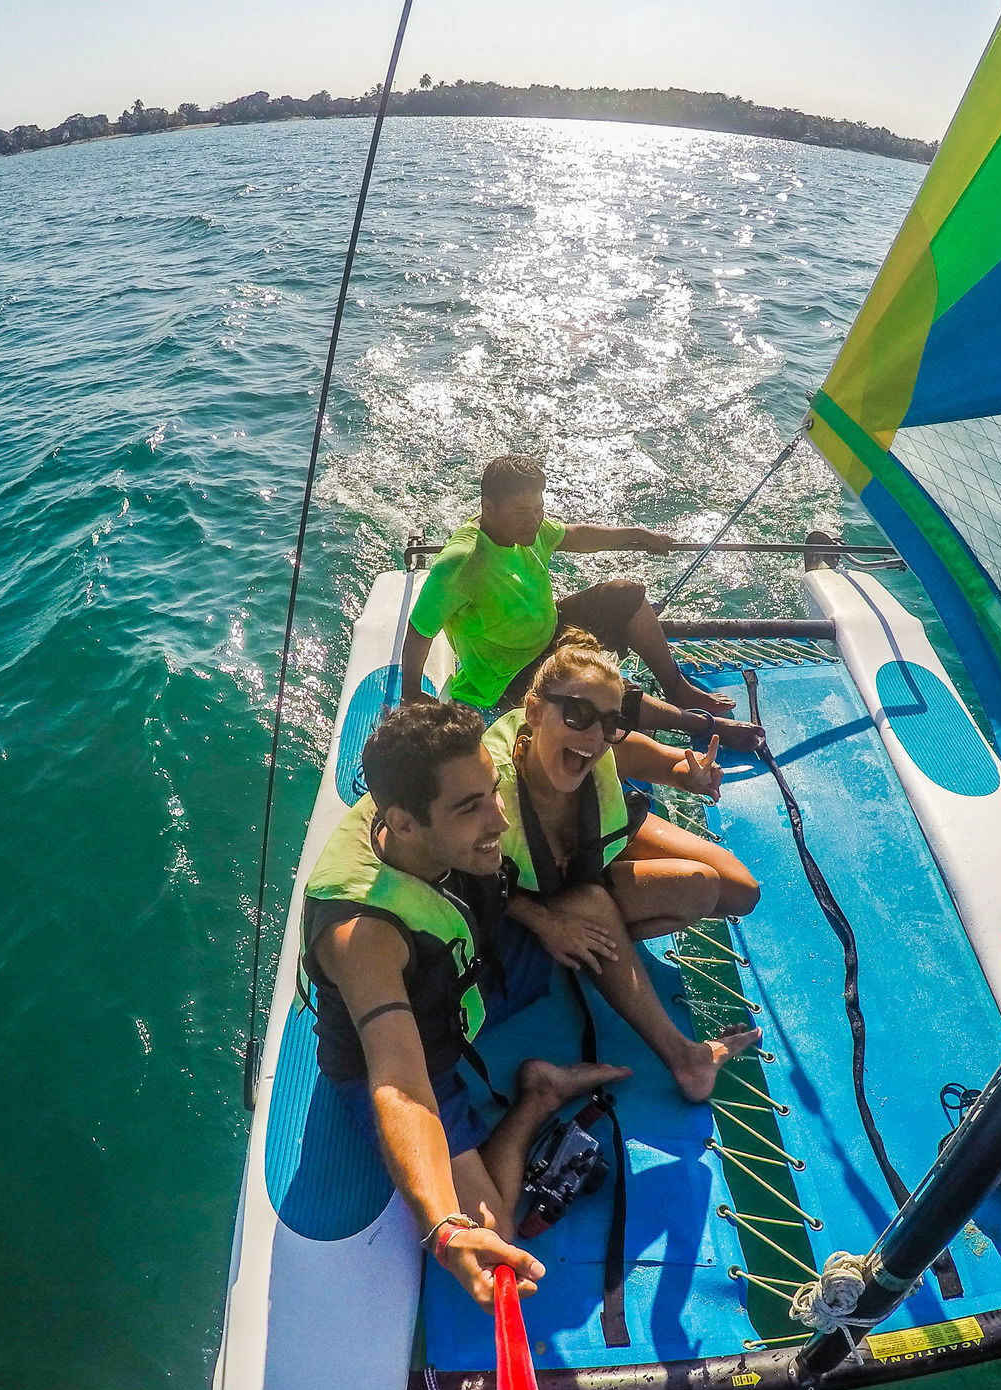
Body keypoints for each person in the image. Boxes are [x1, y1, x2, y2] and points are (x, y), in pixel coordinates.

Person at [301, 700, 753, 1308]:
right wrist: (442, 1227)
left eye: (492, 791)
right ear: (404, 823)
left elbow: (585, 730)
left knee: (610, 905)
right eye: (471, 808)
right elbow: (399, 1082)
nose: (497, 818)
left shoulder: (442, 812)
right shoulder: (364, 937)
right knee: (493, 1232)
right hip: (422, 1047)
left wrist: (544, 920)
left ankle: (683, 1057)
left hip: (478, 971)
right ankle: (539, 1092)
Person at [400, 453, 762, 748]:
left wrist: (635, 534)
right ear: (488, 508)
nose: (534, 520)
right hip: (507, 675)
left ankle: (678, 689)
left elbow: (573, 535)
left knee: (625, 595)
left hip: (550, 629)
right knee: (595, 694)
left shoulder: (528, 527)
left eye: (538, 508)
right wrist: (412, 693)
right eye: (521, 513)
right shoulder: (460, 563)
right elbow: (419, 629)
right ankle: (697, 724)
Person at [487, 633, 761, 964]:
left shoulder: (605, 745)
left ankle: (597, 931)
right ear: (534, 711)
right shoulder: (488, 784)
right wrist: (542, 921)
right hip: (532, 886)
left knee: (741, 892)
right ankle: (574, 925)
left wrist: (694, 776)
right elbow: (461, 871)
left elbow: (672, 763)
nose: (593, 735)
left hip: (598, 847)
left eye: (610, 722)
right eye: (578, 713)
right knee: (701, 889)